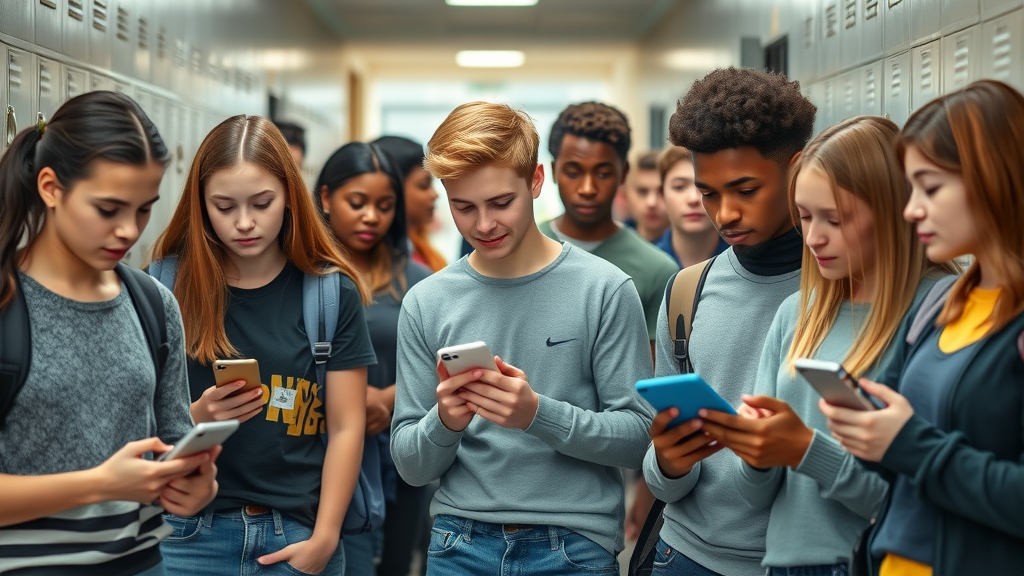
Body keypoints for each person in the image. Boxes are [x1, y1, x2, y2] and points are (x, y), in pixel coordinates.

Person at [390, 101, 654, 575]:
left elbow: (639, 439)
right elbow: (411, 467)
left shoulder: (605, 289)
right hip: (458, 543)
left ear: (535, 181)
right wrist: (445, 421)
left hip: (573, 546)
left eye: (500, 203)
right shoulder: (426, 302)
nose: (483, 225)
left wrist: (536, 414)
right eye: (463, 207)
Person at [697, 116, 953, 576]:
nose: (813, 238)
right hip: (783, 564)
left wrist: (804, 450)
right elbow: (754, 494)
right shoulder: (797, 313)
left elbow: (924, 500)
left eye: (834, 219)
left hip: (871, 562)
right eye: (805, 216)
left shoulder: (938, 311)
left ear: (896, 210)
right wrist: (757, 452)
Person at [0, 91, 219, 575]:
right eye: (108, 209)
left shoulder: (153, 304)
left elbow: (173, 441)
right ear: (51, 187)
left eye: (143, 210)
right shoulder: (7, 304)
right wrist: (100, 484)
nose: (129, 231)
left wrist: (196, 486)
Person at [152, 115, 377, 576]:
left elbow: (346, 426)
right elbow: (131, 423)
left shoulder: (330, 295)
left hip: (295, 534)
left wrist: (324, 540)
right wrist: (195, 418)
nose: (244, 222)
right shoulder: (162, 288)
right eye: (224, 206)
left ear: (290, 195)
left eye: (262, 203)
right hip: (186, 539)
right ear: (201, 204)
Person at [822, 80, 1024, 576]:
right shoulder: (940, 303)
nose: (911, 209)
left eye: (930, 188)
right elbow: (895, 453)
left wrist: (908, 445)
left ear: (993, 179)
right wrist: (864, 428)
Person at [643, 68, 816, 576]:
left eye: (745, 189)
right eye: (709, 193)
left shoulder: (846, 290)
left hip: (801, 562)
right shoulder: (685, 292)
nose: (725, 214)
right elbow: (660, 474)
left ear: (798, 170)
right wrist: (668, 461)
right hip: (685, 556)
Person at [315, 141, 432, 576]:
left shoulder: (418, 281)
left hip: (397, 450)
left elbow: (444, 366)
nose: (371, 217)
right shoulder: (301, 273)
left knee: (395, 563)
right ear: (326, 198)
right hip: (317, 449)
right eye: (357, 203)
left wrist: (388, 399)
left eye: (384, 206)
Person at [539, 102, 679, 347]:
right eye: (573, 172)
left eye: (603, 173)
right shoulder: (520, 250)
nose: (587, 189)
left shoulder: (657, 270)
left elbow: (650, 368)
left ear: (623, 173)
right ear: (553, 171)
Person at [372, 136, 446, 273]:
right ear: (392, 190)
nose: (434, 194)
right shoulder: (374, 265)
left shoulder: (419, 250)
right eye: (424, 185)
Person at [654, 146, 728, 267]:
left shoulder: (747, 265)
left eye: (704, 187)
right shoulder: (646, 267)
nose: (693, 199)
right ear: (662, 195)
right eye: (679, 187)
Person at [624, 150, 670, 242]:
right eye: (642, 192)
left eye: (661, 192)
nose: (651, 203)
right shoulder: (610, 242)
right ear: (626, 194)